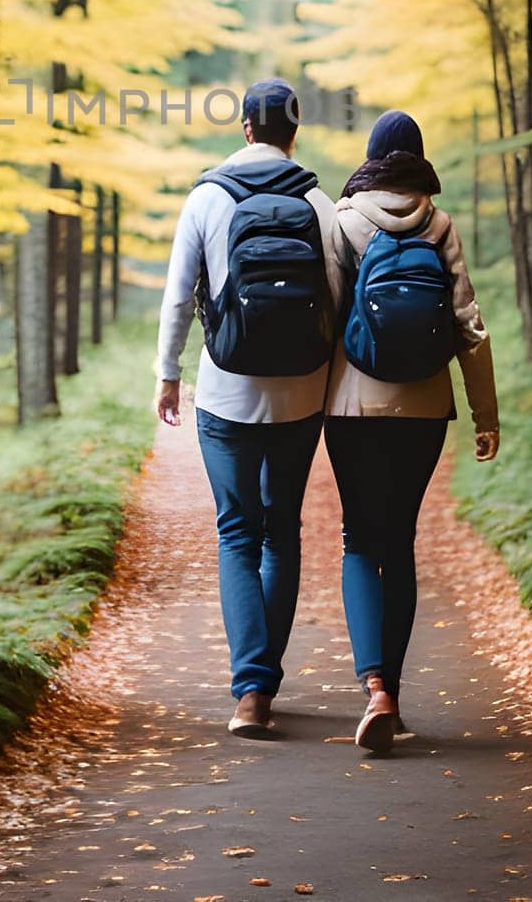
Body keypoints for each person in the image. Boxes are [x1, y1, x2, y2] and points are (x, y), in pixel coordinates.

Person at [155, 78, 346, 736]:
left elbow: (179, 296)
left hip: (225, 392)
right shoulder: (318, 203)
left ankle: (249, 693)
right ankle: (260, 686)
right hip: (299, 392)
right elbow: (338, 301)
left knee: (236, 533)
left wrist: (166, 374)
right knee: (280, 531)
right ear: (293, 135)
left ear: (244, 129)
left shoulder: (206, 197)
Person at [324, 109, 499, 755]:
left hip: (352, 405)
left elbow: (328, 318)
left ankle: (373, 687)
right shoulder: (438, 222)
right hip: (425, 405)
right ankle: (390, 697)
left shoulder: (344, 221)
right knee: (397, 539)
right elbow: (468, 326)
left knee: (355, 538)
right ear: (417, 159)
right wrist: (486, 416)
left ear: (371, 158)